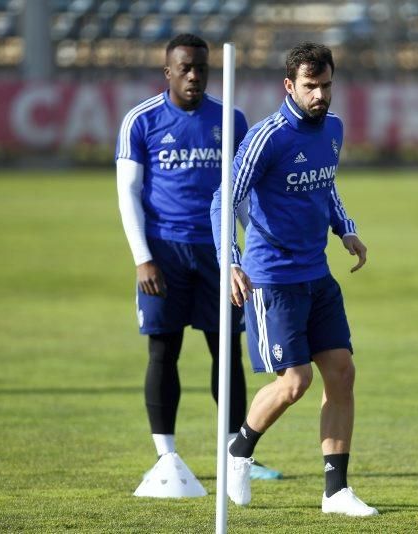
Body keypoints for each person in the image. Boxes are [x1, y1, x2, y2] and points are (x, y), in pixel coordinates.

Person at [210, 42, 378, 517]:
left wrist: (345, 227)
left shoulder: (334, 129)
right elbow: (224, 198)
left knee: (342, 371)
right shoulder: (268, 136)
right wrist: (230, 260)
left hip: (316, 272)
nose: (320, 94)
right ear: (289, 85)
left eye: (326, 85)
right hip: (272, 278)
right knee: (295, 381)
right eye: (311, 86)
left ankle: (335, 492)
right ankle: (239, 450)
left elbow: (326, 184)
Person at [115, 33, 280, 481]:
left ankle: (235, 454)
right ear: (167, 71)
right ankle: (165, 454)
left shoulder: (231, 119)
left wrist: (259, 246)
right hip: (164, 253)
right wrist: (142, 257)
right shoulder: (140, 120)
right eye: (184, 68)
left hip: (218, 253)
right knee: (163, 350)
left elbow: (243, 194)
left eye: (201, 68)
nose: (193, 75)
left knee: (225, 350)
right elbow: (127, 193)